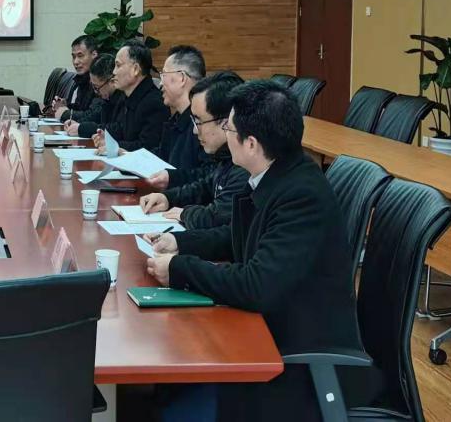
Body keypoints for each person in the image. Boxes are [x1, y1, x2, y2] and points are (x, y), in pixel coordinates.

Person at [145, 80, 362, 421]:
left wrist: (179, 269)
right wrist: (181, 243)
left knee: (170, 387)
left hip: (295, 358)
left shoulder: (300, 196)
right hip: (270, 331)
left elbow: (255, 285)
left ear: (250, 143)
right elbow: (240, 237)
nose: (225, 133)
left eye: (229, 127)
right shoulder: (276, 174)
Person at [139, 71, 248, 230]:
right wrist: (168, 198)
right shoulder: (225, 157)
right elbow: (206, 186)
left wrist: (186, 215)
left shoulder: (245, 166)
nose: (195, 131)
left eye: (199, 122)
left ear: (226, 122)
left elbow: (218, 218)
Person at [89, 41, 169, 152]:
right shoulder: (127, 96)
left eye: (118, 65)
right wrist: (106, 138)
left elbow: (147, 147)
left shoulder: (154, 103)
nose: (114, 72)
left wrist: (114, 146)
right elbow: (121, 129)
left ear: (135, 69)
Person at [146, 45, 208, 186]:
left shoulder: (206, 122)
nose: (160, 83)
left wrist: (172, 178)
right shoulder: (176, 119)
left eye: (164, 75)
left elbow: (209, 176)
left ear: (181, 78)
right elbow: (163, 155)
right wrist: (129, 157)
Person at [63, 53, 119, 137]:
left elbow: (115, 129)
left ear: (112, 81)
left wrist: (82, 128)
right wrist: (78, 123)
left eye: (96, 87)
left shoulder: (123, 97)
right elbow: (95, 115)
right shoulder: (106, 97)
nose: (96, 92)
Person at [50, 35, 99, 120]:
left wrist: (66, 113)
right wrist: (65, 106)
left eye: (80, 56)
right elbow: (81, 108)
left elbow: (94, 116)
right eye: (73, 57)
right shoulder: (81, 79)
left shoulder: (101, 79)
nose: (75, 62)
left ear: (94, 55)